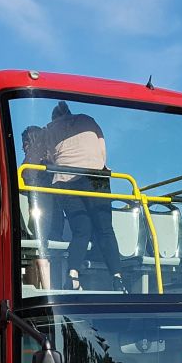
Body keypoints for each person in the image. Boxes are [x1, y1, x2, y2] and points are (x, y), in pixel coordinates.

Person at [44, 101, 125, 292]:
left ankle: (73, 274)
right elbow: (102, 152)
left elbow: (49, 158)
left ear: (54, 117)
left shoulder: (49, 129)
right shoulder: (88, 120)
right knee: (105, 229)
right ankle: (118, 278)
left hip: (65, 180)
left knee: (81, 230)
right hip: (96, 175)